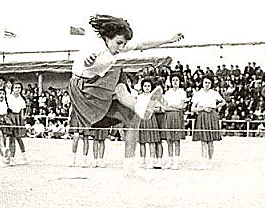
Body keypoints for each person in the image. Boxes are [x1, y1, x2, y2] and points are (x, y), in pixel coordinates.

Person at [68, 14, 183, 174]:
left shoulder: (115, 45)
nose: (121, 48)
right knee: (117, 73)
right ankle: (140, 106)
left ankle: (130, 167)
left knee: (133, 118)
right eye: (119, 43)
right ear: (107, 38)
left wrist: (168, 40)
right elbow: (86, 61)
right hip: (84, 90)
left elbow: (143, 44)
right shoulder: (94, 47)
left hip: (100, 85)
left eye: (124, 44)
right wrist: (90, 61)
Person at [191, 74, 226, 169]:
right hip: (202, 116)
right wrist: (202, 109)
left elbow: (223, 102)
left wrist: (214, 107)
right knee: (203, 141)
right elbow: (192, 109)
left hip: (212, 116)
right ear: (202, 83)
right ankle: (203, 161)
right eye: (205, 82)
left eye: (209, 83)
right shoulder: (197, 93)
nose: (207, 84)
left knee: (210, 141)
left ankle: (209, 161)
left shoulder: (214, 93)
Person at [162, 74, 187, 169]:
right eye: (173, 80)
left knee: (176, 140)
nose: (175, 82)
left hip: (177, 116)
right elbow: (164, 107)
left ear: (179, 81)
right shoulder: (167, 92)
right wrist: (174, 107)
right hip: (168, 116)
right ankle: (170, 161)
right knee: (169, 140)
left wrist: (171, 106)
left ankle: (176, 162)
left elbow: (181, 106)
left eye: (177, 80)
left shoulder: (182, 92)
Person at [138, 78, 161, 169]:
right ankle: (142, 161)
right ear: (142, 87)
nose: (147, 88)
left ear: (151, 87)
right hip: (142, 119)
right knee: (142, 142)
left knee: (152, 141)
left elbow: (158, 109)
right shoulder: (139, 97)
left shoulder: (154, 97)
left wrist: (150, 109)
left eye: (148, 86)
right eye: (145, 86)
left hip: (151, 119)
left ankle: (152, 161)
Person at [7, 81, 28, 165]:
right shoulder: (9, 97)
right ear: (12, 88)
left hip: (18, 118)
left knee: (19, 137)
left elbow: (22, 112)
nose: (17, 89)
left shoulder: (21, 99)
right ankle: (11, 158)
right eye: (16, 87)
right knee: (11, 138)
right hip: (10, 117)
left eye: (19, 88)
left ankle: (24, 156)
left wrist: (23, 121)